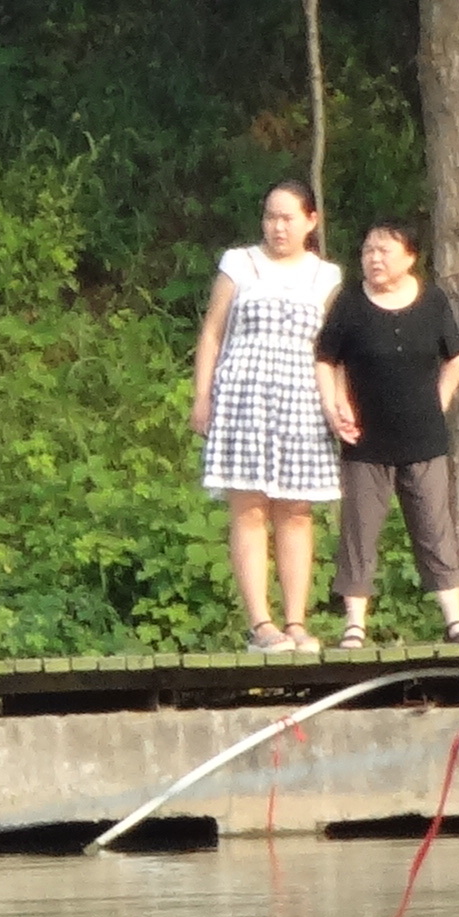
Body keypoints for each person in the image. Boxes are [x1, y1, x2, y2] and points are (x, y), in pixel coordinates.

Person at [189, 179, 347, 651]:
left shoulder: (327, 276)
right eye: (270, 217)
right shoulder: (240, 264)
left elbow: (333, 351)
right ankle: (261, 623)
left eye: (287, 218)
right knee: (250, 507)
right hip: (243, 397)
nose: (278, 227)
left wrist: (338, 404)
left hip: (301, 399)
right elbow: (213, 333)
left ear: (310, 222)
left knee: (296, 511)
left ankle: (296, 621)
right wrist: (203, 395)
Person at [314, 218, 459, 646]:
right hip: (365, 437)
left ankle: (454, 620)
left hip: (424, 436)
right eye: (369, 250)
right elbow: (326, 358)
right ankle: (355, 623)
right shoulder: (350, 303)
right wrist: (336, 405)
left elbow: (455, 357)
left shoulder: (433, 302)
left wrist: (438, 401)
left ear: (410, 257)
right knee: (360, 529)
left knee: (433, 525)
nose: (374, 258)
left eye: (385, 250)